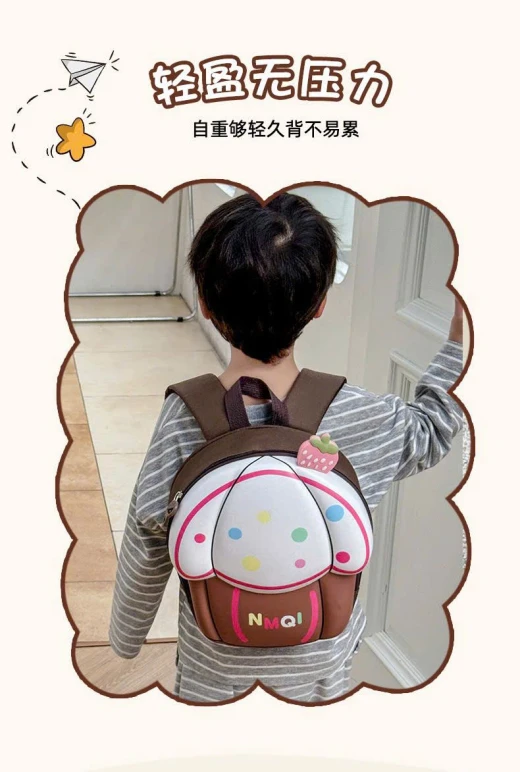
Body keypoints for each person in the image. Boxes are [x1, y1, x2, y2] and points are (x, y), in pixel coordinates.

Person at [109, 192, 464, 703]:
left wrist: (126, 636)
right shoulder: (365, 416)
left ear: (205, 304)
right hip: (322, 658)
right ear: (319, 305)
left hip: (216, 664)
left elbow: (147, 531)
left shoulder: (186, 414)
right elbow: (435, 428)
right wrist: (459, 341)